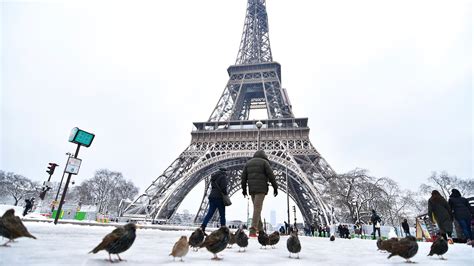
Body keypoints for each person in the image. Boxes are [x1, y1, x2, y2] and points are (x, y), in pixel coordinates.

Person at [241, 150, 278, 237]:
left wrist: (244, 189)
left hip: (252, 189)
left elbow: (243, 177)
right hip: (261, 189)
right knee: (257, 209)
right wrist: (275, 187)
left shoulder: (248, 163)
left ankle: (260, 230)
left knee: (256, 209)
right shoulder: (264, 162)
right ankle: (253, 230)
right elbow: (271, 175)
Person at [200, 168, 228, 232]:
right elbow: (223, 188)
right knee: (222, 214)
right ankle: (223, 228)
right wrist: (225, 194)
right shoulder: (223, 177)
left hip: (212, 197)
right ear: (224, 171)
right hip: (219, 198)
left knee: (210, 213)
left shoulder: (214, 177)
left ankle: (203, 226)